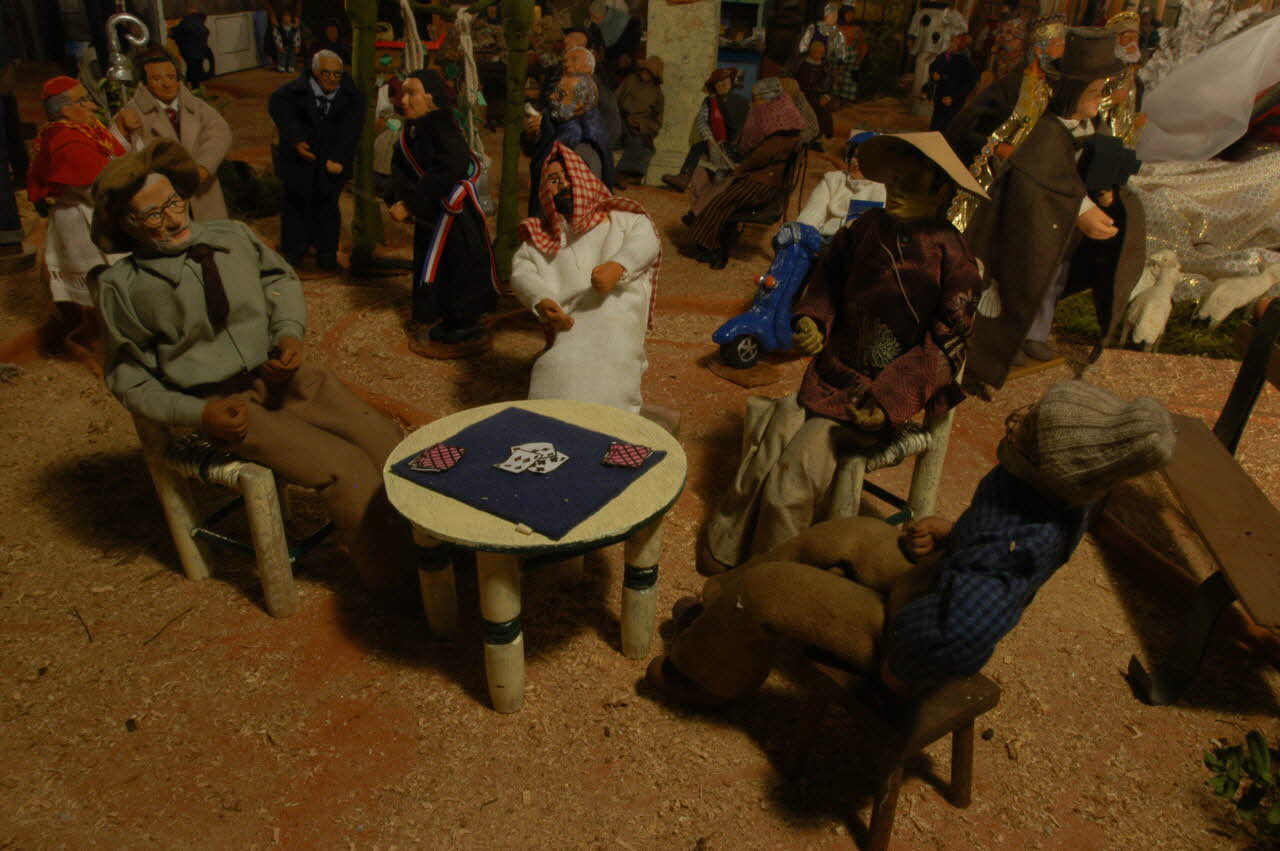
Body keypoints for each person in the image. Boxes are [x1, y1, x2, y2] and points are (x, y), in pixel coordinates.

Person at [647, 381, 1175, 704]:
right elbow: (985, 531)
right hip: (938, 578)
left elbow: (964, 631)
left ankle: (707, 676)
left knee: (771, 589)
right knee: (839, 535)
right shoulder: (1035, 489)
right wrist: (954, 532)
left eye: (1030, 428)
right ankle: (719, 610)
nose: (1019, 421)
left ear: (1056, 472)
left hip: (912, 638)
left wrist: (901, 664)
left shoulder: (1014, 550)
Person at [91, 140, 417, 605]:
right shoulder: (124, 288)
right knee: (347, 471)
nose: (173, 219)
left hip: (283, 377)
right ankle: (395, 585)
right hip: (227, 405)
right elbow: (128, 378)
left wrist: (287, 332)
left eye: (174, 202)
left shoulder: (231, 237)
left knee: (384, 440)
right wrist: (199, 413)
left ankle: (431, 547)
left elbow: (278, 278)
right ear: (127, 224)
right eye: (152, 215)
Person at [700, 132, 986, 571]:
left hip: (875, 397)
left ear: (942, 192)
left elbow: (945, 346)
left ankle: (773, 578)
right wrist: (812, 321)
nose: (899, 190)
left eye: (914, 184)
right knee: (765, 451)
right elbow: (827, 281)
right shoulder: (865, 229)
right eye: (896, 181)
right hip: (827, 371)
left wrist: (888, 401)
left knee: (791, 482)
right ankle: (724, 551)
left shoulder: (955, 260)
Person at [964, 28, 1144, 390]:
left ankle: (1035, 334)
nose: (1099, 100)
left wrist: (1103, 194)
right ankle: (1004, 342)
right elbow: (1041, 176)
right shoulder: (1045, 131)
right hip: (1031, 229)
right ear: (1072, 92)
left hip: (1060, 232)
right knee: (1022, 279)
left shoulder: (1086, 126)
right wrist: (1081, 209)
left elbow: (1080, 170)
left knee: (1051, 282)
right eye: (1093, 93)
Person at [510, 144, 660, 413]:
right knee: (558, 367)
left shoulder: (622, 220)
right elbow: (523, 271)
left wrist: (618, 266)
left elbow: (646, 239)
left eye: (568, 177)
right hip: (571, 322)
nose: (563, 185)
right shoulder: (543, 238)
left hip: (617, 311)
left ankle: (615, 418)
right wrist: (541, 300)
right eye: (554, 181)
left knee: (615, 360)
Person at [383, 70, 499, 353]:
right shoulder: (411, 131)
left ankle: (462, 322)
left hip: (453, 215)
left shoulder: (442, 126)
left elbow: (450, 167)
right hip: (430, 214)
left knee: (458, 266)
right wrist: (395, 198)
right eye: (403, 93)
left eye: (412, 93)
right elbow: (400, 171)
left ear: (431, 99)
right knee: (432, 264)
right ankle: (439, 314)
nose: (404, 100)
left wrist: (411, 203)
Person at [27, 76, 126, 346]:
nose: (93, 106)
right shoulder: (66, 140)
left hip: (96, 211)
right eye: (83, 100)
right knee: (100, 281)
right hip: (84, 220)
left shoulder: (88, 129)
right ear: (64, 109)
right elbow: (95, 186)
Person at [682, 78, 805, 269]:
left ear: (769, 100)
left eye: (757, 99)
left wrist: (740, 167)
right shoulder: (777, 120)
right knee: (711, 181)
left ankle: (712, 247)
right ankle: (699, 222)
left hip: (763, 183)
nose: (754, 103)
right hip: (761, 176)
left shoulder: (782, 129)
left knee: (721, 200)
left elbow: (762, 157)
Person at [268, 49, 364, 271]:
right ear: (315, 72)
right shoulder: (294, 92)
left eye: (337, 74)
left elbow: (352, 129)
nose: (332, 79)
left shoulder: (350, 96)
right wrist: (295, 139)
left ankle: (327, 252)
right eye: (326, 73)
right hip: (299, 161)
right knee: (295, 204)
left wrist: (339, 157)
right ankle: (293, 250)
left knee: (328, 206)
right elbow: (277, 106)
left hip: (331, 163)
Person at [113, 48, 232, 221]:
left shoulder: (196, 106)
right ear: (144, 84)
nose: (166, 84)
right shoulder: (133, 112)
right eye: (157, 79)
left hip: (203, 195)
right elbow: (123, 152)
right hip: (165, 198)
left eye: (171, 77)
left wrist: (204, 167)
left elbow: (220, 133)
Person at [522, 71, 613, 216]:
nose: (552, 97)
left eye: (561, 94)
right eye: (555, 92)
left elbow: (572, 200)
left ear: (580, 104)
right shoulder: (568, 122)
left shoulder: (580, 140)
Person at [660, 68, 749, 193]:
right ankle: (684, 177)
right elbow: (702, 121)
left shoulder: (742, 102)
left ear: (731, 82)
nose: (723, 85)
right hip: (715, 143)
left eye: (726, 81)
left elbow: (748, 125)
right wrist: (709, 138)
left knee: (723, 177)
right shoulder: (710, 102)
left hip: (736, 146)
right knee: (697, 147)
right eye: (719, 83)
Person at [614, 56, 664, 185]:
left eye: (648, 73)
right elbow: (615, 101)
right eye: (644, 71)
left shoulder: (657, 94)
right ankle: (620, 173)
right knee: (636, 141)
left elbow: (657, 122)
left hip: (640, 127)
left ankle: (636, 176)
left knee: (648, 147)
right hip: (621, 121)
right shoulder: (631, 81)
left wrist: (642, 125)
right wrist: (626, 117)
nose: (644, 74)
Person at [906, 0, 967, 100]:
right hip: (926, 47)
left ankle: (932, 94)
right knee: (923, 69)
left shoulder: (949, 12)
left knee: (937, 70)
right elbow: (913, 30)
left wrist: (951, 27)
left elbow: (962, 28)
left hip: (940, 48)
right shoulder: (922, 12)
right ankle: (919, 94)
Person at [928, 33, 978, 132]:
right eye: (952, 42)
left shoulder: (966, 62)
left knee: (947, 126)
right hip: (941, 95)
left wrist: (954, 97)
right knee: (936, 123)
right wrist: (934, 73)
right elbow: (934, 66)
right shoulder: (946, 55)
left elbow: (969, 84)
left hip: (953, 100)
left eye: (955, 43)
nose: (951, 45)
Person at [795, 39, 836, 144]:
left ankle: (818, 139)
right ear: (811, 52)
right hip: (804, 94)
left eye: (821, 53)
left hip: (820, 95)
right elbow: (797, 81)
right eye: (816, 52)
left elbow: (830, 84)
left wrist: (827, 96)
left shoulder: (826, 67)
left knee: (822, 110)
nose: (819, 55)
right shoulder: (802, 65)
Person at [169, 4, 215, 87]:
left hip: (189, 51)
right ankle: (195, 88)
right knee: (196, 71)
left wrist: (173, 34)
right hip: (199, 50)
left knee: (192, 71)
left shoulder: (186, 21)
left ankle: (192, 88)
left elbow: (176, 32)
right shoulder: (199, 23)